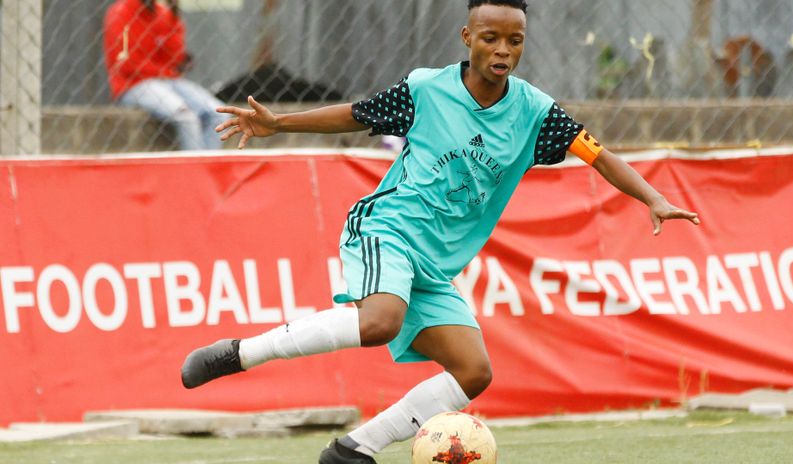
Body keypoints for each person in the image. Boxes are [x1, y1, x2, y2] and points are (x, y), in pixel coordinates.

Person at [181, 1, 701, 462]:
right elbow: (357, 115)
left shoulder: (536, 113)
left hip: (434, 266)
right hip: (386, 227)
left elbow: (599, 156)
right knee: (380, 320)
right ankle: (239, 354)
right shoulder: (427, 88)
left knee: (473, 372)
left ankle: (353, 449)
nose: (502, 50)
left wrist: (652, 198)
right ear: (466, 38)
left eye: (514, 40)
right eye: (490, 38)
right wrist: (281, 124)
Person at [103, 0, 227, 151]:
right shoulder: (121, 11)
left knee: (219, 114)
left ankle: (207, 170)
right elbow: (127, 65)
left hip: (167, 81)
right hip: (133, 84)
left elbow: (174, 59)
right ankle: (196, 171)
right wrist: (166, 71)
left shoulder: (162, 12)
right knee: (186, 117)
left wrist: (174, 17)